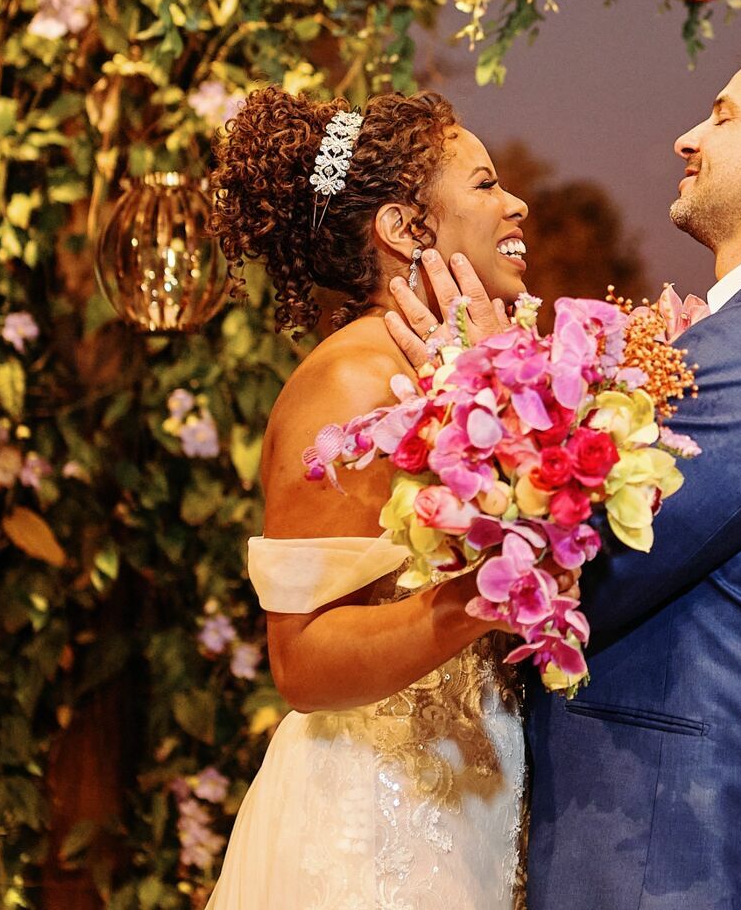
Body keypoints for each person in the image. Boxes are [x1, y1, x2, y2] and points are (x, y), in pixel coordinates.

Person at [381, 34, 741, 909]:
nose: (687, 138)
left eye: (723, 116)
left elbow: (578, 571)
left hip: (699, 857)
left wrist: (484, 386)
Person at [203, 86, 537, 910]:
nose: (516, 203)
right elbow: (304, 662)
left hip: (472, 808)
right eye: (486, 183)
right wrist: (491, 594)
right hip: (375, 828)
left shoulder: (460, 372)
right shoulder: (353, 381)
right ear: (402, 227)